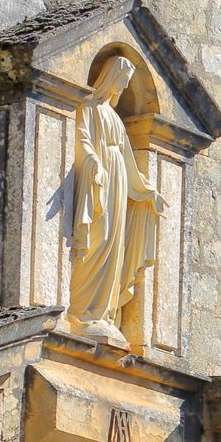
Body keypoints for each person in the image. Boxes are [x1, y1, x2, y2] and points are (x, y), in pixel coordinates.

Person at [68, 55, 163, 348]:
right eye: (122, 79)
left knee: (115, 246)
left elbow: (130, 162)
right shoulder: (90, 109)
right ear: (110, 77)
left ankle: (105, 313)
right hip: (100, 179)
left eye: (126, 82)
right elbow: (82, 139)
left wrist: (147, 191)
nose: (123, 86)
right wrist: (94, 161)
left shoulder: (117, 120)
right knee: (100, 236)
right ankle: (83, 310)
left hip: (118, 182)